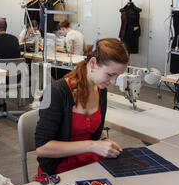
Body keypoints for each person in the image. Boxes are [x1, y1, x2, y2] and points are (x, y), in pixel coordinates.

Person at [35, 38, 129, 175]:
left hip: (89, 162)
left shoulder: (100, 90)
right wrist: (93, 145)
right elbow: (42, 148)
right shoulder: (56, 92)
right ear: (92, 63)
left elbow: (89, 130)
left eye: (117, 76)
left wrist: (103, 141)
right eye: (110, 74)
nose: (113, 82)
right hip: (60, 169)